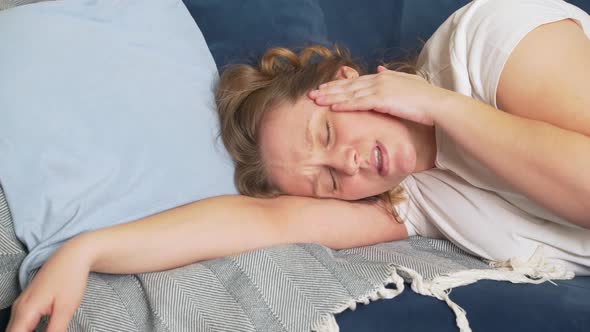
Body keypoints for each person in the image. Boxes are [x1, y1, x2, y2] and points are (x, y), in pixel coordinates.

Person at [7, 0, 590, 331]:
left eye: (328, 132)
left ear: (345, 84)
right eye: (329, 181)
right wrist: (82, 252)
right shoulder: (409, 202)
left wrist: (444, 108)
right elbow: (258, 224)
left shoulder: (489, 42)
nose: (350, 165)